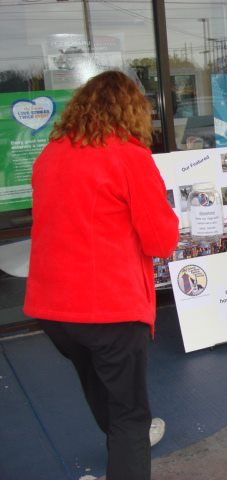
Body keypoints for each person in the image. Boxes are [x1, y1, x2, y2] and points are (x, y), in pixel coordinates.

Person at [24, 70, 179, 480]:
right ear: (132, 111)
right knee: (131, 416)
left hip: (54, 309)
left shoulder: (51, 154)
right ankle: (128, 445)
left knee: (101, 390)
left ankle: (122, 443)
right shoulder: (129, 156)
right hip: (109, 308)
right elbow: (161, 240)